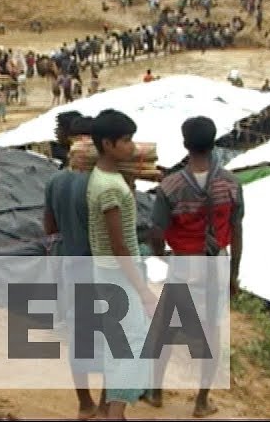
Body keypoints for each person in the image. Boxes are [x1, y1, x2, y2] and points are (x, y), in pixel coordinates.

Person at [144, 116, 244, 417]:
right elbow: (238, 232)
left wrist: (162, 255)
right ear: (213, 143)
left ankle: (156, 392)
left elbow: (156, 232)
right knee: (211, 331)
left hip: (184, 265)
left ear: (185, 144)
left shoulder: (170, 187)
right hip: (216, 264)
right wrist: (234, 274)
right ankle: (201, 401)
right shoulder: (231, 184)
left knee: (165, 329)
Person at [86, 110, 155, 420]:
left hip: (107, 272)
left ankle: (113, 411)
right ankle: (115, 413)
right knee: (133, 343)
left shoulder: (102, 178)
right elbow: (120, 245)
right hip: (119, 275)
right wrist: (143, 291)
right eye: (126, 141)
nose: (131, 146)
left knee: (119, 344)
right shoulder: (111, 187)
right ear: (108, 144)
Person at [42, 115, 105, 420]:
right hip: (100, 267)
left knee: (79, 336)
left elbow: (49, 227)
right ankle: (107, 403)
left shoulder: (54, 181)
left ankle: (84, 403)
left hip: (71, 264)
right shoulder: (101, 184)